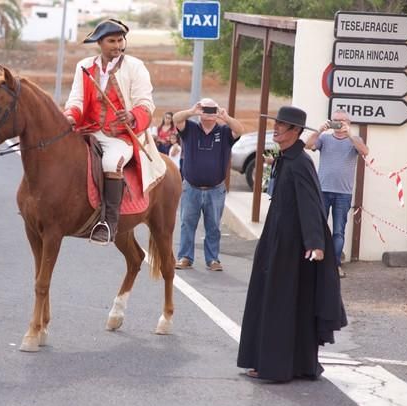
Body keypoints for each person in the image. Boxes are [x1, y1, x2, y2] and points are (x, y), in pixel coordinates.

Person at [237, 106, 347, 382]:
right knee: (272, 300)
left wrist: (315, 243)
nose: (276, 129)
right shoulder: (286, 157)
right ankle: (275, 361)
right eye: (276, 124)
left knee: (282, 302)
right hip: (276, 239)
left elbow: (312, 205)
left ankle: (277, 366)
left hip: (293, 247)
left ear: (296, 131)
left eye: (282, 126)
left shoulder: (300, 162)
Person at [63, 18, 163, 244]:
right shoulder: (84, 66)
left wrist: (131, 116)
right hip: (87, 130)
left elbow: (145, 104)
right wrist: (70, 115)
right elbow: (77, 99)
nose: (118, 45)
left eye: (121, 40)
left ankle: (109, 223)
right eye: (112, 41)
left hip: (121, 136)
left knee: (111, 163)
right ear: (100, 42)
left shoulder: (135, 67)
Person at [174, 98, 244, 271]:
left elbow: (240, 130)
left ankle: (213, 259)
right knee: (187, 224)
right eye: (205, 108)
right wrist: (192, 112)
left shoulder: (224, 131)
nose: (209, 112)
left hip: (215, 189)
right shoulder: (190, 129)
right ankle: (185, 257)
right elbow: (176, 119)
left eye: (212, 109)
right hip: (191, 188)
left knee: (213, 226)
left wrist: (225, 117)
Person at [305, 109, 369, 278]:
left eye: (342, 121)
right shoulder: (325, 138)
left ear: (348, 123)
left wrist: (350, 135)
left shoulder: (354, 140)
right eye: (335, 120)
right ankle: (317, 263)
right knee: (319, 228)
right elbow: (308, 145)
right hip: (323, 190)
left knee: (339, 231)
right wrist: (319, 130)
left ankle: (335, 265)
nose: (339, 124)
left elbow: (365, 151)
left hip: (343, 193)